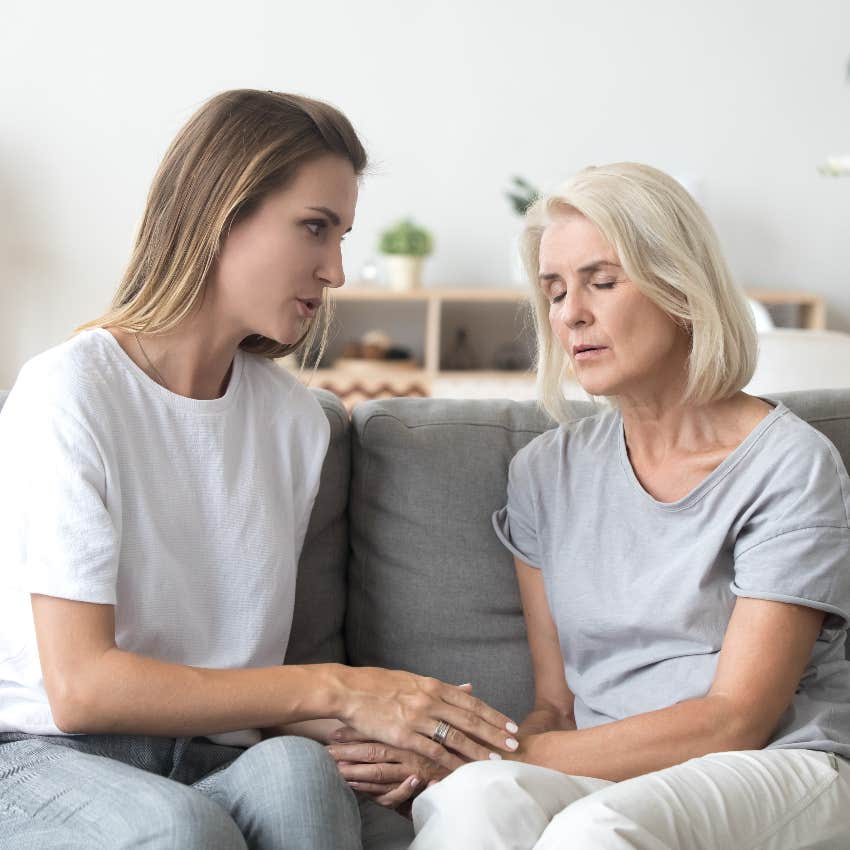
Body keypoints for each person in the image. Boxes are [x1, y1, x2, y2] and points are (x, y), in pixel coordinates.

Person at [0, 89, 519, 850]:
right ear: (222, 212)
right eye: (315, 228)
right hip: (48, 758)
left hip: (212, 752)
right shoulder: (70, 392)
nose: (336, 270)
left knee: (302, 779)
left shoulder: (293, 423)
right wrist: (343, 688)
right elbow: (81, 689)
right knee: (183, 829)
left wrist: (389, 730)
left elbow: (241, 680)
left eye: (341, 235)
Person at [332, 162, 850, 848]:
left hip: (780, 763)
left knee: (594, 829)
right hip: (611, 768)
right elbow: (557, 706)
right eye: (554, 290)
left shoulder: (790, 465)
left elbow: (736, 720)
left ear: (680, 285)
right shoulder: (546, 473)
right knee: (471, 803)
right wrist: (461, 761)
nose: (571, 312)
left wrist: (485, 753)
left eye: (602, 282)